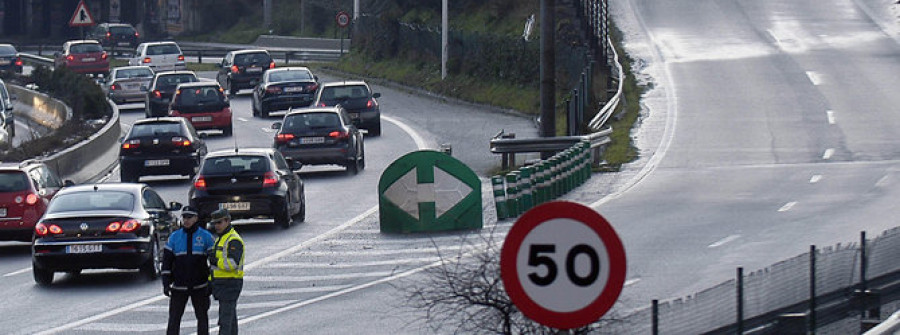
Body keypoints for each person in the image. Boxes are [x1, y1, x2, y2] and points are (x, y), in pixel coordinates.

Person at [161, 206, 216, 335]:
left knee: (202, 318)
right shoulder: (174, 237)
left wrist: (212, 282)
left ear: (196, 218)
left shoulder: (206, 237)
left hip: (200, 286)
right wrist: (165, 283)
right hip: (179, 287)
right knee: (174, 320)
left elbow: (214, 262)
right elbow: (167, 262)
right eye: (184, 217)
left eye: (189, 217)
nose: (186, 220)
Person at [208, 208, 244, 335]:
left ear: (227, 221)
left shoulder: (233, 240)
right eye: (215, 223)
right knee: (230, 320)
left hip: (230, 284)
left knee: (225, 321)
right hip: (222, 285)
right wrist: (210, 281)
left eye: (219, 222)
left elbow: (233, 264)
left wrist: (215, 261)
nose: (216, 226)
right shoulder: (221, 238)